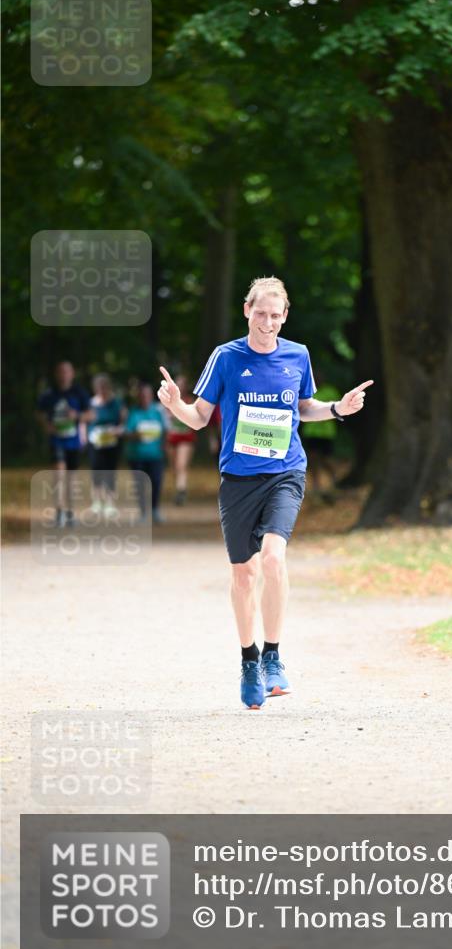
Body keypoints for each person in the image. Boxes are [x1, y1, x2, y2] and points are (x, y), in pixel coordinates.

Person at [157, 275, 372, 709]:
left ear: (285, 316)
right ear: (246, 311)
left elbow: (303, 407)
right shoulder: (226, 357)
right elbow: (199, 418)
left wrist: (337, 409)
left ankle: (274, 655)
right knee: (244, 574)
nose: (267, 322)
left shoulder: (298, 355)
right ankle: (249, 659)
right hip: (238, 478)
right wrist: (174, 404)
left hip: (285, 472)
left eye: (276, 315)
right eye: (260, 314)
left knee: (274, 557)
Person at [36, 361, 92, 527]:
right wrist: (46, 424)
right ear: (56, 374)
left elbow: (91, 415)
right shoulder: (49, 394)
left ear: (72, 374)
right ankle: (59, 511)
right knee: (59, 475)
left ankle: (70, 512)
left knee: (70, 479)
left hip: (74, 442)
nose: (63, 375)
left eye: (67, 371)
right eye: (60, 371)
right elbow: (38, 413)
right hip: (57, 441)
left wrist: (77, 416)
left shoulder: (79, 393)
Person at [126, 382, 167, 524]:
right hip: (137, 456)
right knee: (140, 485)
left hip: (155, 455)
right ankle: (143, 513)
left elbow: (166, 430)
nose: (144, 398)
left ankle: (155, 510)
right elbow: (127, 432)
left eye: (147, 395)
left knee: (156, 482)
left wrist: (164, 445)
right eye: (142, 395)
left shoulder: (157, 412)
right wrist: (135, 435)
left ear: (151, 396)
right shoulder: (133, 413)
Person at [88, 373, 126, 517]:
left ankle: (110, 503)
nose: (101, 391)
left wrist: (118, 429)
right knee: (96, 471)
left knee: (110, 472)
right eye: (98, 388)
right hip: (95, 442)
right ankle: (96, 502)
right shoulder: (91, 403)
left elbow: (123, 420)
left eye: (103, 388)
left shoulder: (117, 402)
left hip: (112, 442)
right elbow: (85, 421)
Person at [300, 374, 341, 502]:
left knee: (327, 459)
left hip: (326, 433)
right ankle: (316, 487)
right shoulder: (307, 391)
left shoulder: (330, 391)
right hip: (311, 433)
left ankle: (334, 481)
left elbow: (338, 409)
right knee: (312, 460)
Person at [166, 373, 197, 505]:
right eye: (178, 383)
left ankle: (181, 491)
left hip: (186, 439)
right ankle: (179, 489)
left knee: (181, 465)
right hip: (172, 439)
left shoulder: (190, 401)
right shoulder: (167, 400)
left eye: (183, 384)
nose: (180, 386)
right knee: (174, 468)